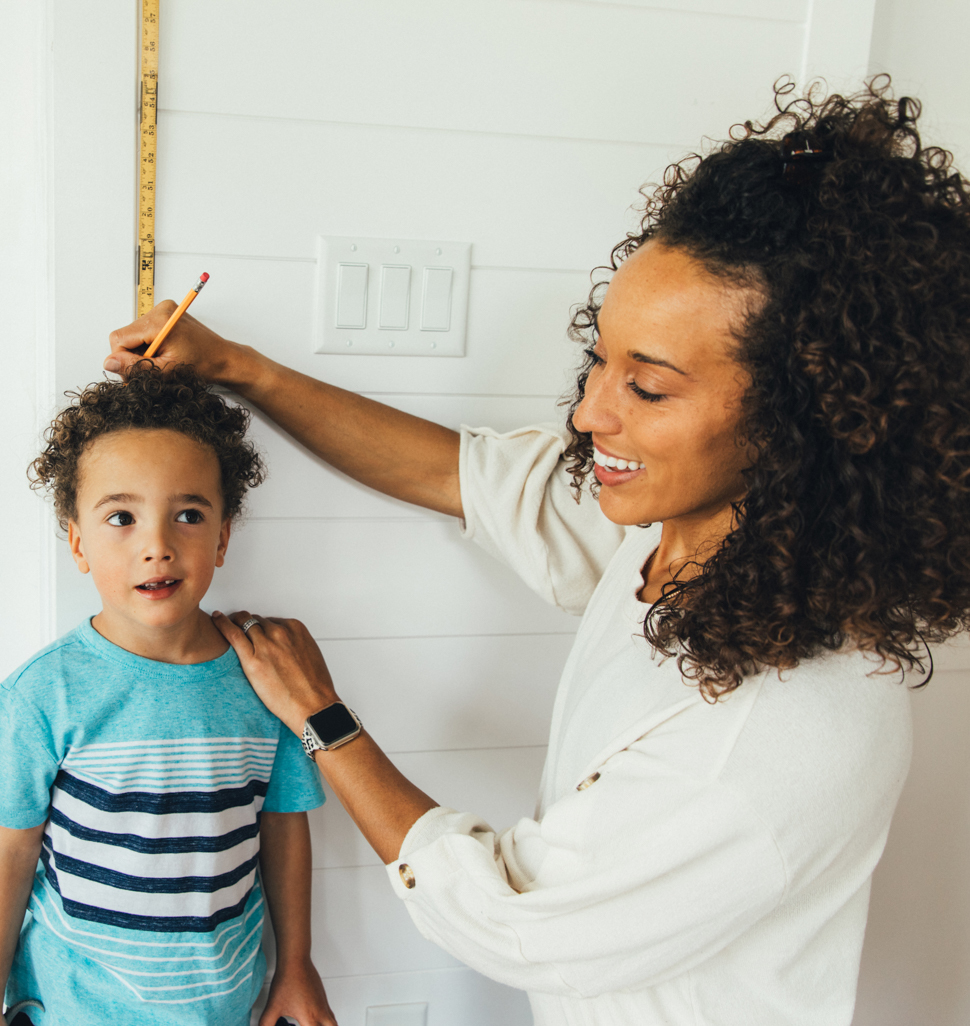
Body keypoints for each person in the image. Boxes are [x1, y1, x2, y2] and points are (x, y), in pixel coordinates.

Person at [104, 81, 970, 1025]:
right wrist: (239, 367)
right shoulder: (677, 526)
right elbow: (456, 474)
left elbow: (511, 922)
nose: (591, 412)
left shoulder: (787, 731)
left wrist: (323, 720)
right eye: (602, 359)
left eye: (647, 387)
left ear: (805, 417)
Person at [0, 364, 336, 1026]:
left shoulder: (265, 679)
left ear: (222, 537)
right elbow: (8, 855)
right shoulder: (42, 693)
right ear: (77, 543)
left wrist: (296, 964)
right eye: (122, 518)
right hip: (73, 1010)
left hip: (224, 1004)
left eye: (187, 515)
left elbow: (283, 827)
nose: (157, 546)